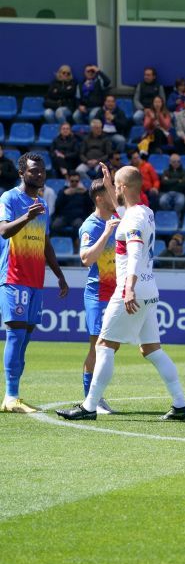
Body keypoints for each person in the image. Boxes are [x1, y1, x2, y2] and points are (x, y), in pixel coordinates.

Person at [56, 165, 185, 421]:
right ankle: (181, 404)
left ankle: (89, 407)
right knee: (151, 349)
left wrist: (128, 288)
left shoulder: (131, 220)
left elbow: (135, 253)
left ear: (124, 188)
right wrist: (109, 182)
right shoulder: (145, 212)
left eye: (116, 186)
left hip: (132, 288)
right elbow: (124, 212)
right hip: (149, 288)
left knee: (104, 345)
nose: (113, 190)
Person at [0, 153, 69, 413]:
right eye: (33, 171)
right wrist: (27, 217)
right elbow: (4, 231)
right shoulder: (9, 198)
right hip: (14, 276)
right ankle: (11, 396)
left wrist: (59, 274)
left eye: (42, 171)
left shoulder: (42, 204)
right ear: (22, 173)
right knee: (16, 335)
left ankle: (12, 396)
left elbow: (45, 242)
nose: (39, 174)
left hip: (35, 279)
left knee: (25, 338)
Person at [77, 173, 120, 413]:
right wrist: (105, 234)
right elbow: (85, 259)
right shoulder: (91, 226)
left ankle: (96, 396)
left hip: (116, 294)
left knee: (112, 346)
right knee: (97, 347)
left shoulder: (117, 219)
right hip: (99, 294)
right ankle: (91, 399)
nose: (115, 197)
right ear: (99, 198)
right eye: (110, 193)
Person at [51, 173, 92, 237]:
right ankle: (60, 241)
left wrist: (86, 193)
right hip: (64, 216)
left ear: (79, 181)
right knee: (55, 225)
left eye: (76, 181)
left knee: (79, 226)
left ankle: (76, 242)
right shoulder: (63, 191)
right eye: (72, 181)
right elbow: (57, 206)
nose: (74, 183)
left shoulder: (84, 192)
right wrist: (63, 194)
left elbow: (90, 206)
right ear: (69, 181)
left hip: (78, 217)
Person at [76, 119, 112, 184]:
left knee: (100, 171)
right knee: (79, 170)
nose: (99, 130)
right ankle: (90, 184)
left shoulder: (106, 139)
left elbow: (108, 154)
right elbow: (81, 153)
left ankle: (97, 185)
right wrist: (87, 161)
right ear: (92, 129)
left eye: (100, 128)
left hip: (100, 162)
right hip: (88, 162)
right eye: (97, 128)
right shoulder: (86, 138)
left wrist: (97, 161)